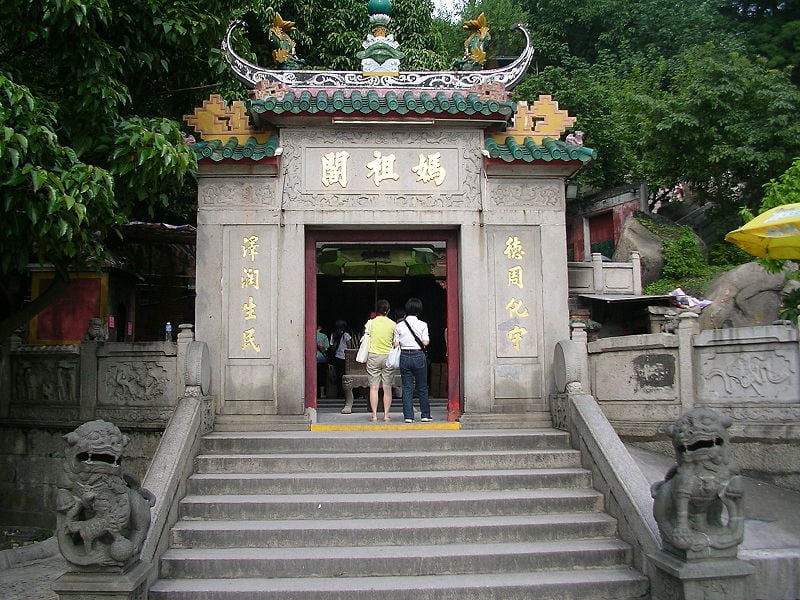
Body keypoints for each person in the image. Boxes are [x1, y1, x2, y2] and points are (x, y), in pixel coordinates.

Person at [394, 297, 430, 423]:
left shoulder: (399, 326)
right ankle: (425, 415)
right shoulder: (423, 325)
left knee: (407, 387)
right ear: (419, 310)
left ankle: (408, 416)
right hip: (418, 355)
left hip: (404, 356)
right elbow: (426, 341)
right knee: (422, 387)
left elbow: (395, 343)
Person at [365, 299, 396, 422]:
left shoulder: (370, 323)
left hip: (373, 356)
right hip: (388, 356)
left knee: (373, 387)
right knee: (387, 387)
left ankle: (374, 415)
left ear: (377, 311)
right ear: (388, 310)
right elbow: (395, 341)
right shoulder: (393, 324)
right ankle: (386, 415)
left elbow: (366, 337)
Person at [328, 320, 352, 397]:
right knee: (346, 375)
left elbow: (331, 346)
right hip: (344, 357)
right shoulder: (346, 335)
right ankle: (346, 392)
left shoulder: (333, 335)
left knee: (338, 375)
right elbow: (349, 347)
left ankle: (339, 392)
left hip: (337, 357)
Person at [315, 325, 330, 399]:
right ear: (320, 328)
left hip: (311, 359)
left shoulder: (308, 334)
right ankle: (321, 394)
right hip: (321, 359)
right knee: (322, 376)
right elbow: (326, 348)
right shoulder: (324, 336)